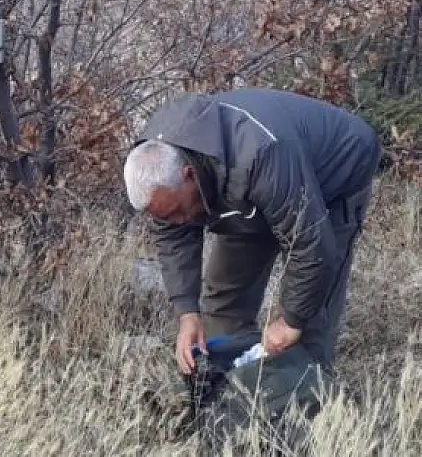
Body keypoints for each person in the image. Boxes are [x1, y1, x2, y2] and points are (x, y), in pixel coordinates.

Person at [122, 87, 381, 377]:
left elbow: (312, 246)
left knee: (309, 315)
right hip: (253, 190)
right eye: (166, 216)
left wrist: (291, 322)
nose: (179, 221)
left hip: (336, 170)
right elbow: (172, 237)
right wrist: (187, 312)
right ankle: (233, 388)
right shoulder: (161, 172)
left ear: (188, 174)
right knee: (223, 299)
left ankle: (305, 398)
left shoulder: (260, 152)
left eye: (177, 212)